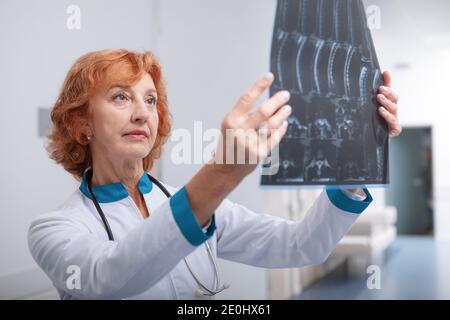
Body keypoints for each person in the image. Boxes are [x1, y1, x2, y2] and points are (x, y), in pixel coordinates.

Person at [28, 49, 401, 299]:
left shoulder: (190, 204)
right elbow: (107, 277)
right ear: (81, 124)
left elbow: (302, 244)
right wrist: (223, 171)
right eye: (121, 97)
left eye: (150, 100)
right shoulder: (55, 228)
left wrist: (356, 160)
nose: (142, 112)